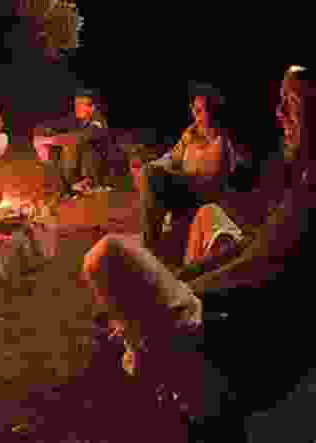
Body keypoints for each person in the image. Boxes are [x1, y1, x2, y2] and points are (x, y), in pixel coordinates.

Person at [79, 65, 316, 439]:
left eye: (292, 104)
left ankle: (162, 365)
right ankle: (140, 338)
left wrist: (188, 289)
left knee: (107, 255)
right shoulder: (302, 181)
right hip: (237, 303)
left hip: (245, 343)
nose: (279, 114)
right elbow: (249, 248)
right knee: (208, 220)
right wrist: (180, 277)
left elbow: (257, 278)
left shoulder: (306, 194)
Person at [139, 86, 241, 255]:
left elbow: (211, 180)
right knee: (149, 172)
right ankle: (151, 245)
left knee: (152, 175)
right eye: (195, 109)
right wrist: (149, 168)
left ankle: (150, 248)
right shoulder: (190, 135)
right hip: (185, 193)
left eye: (202, 110)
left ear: (214, 112)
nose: (197, 114)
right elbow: (171, 160)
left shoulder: (222, 141)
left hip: (203, 198)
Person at [32, 88, 120, 199]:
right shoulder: (78, 119)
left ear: (92, 108)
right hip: (81, 168)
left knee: (70, 142)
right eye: (75, 104)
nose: (76, 108)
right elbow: (46, 126)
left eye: (80, 105)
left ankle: (89, 185)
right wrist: (39, 138)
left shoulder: (98, 122)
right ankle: (68, 188)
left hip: (98, 171)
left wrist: (45, 141)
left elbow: (77, 138)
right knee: (49, 134)